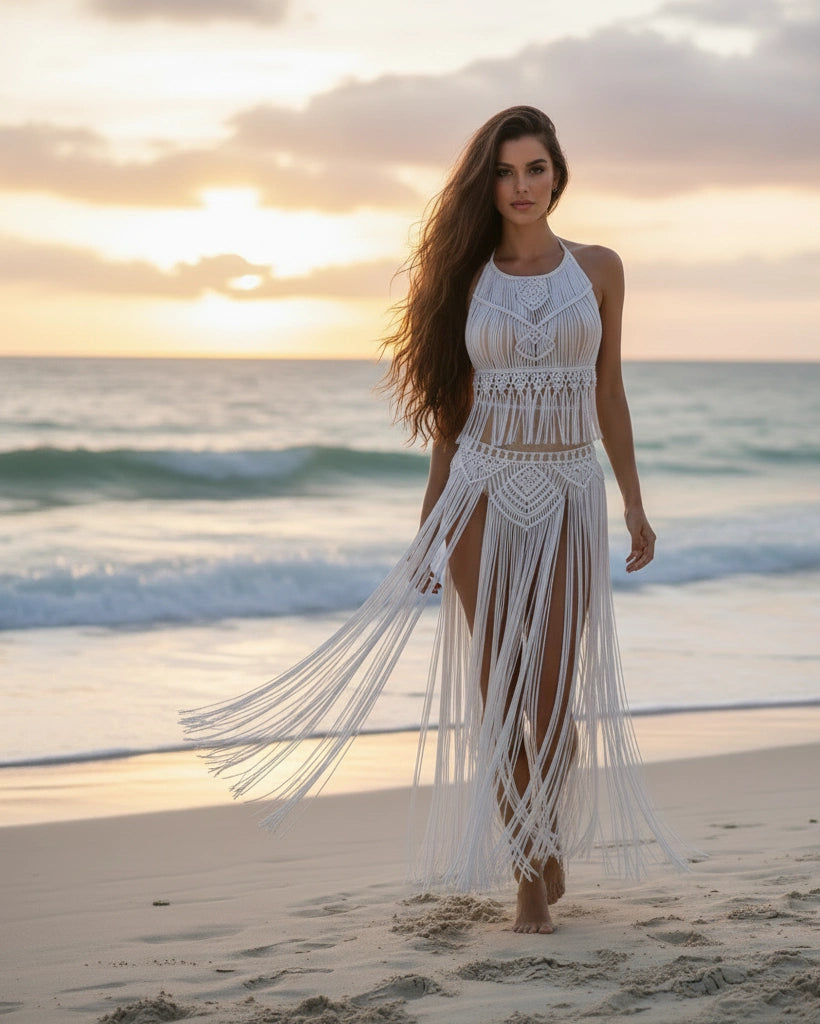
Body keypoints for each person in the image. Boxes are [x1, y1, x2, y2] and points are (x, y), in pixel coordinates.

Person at [182, 105, 687, 935]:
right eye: (505, 170)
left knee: (556, 694)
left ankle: (543, 826)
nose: (521, 186)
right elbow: (451, 420)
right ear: (484, 183)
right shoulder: (462, 280)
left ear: (558, 173)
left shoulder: (600, 269)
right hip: (482, 491)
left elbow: (610, 391)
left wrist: (633, 500)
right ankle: (528, 875)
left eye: (535, 168)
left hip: (568, 489)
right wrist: (429, 525)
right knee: (501, 690)